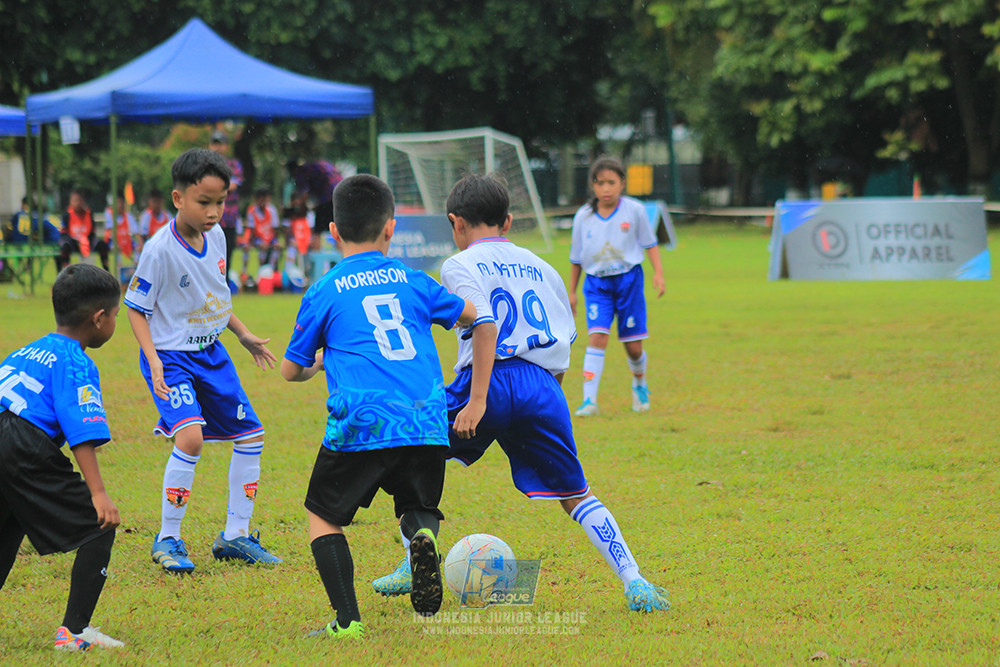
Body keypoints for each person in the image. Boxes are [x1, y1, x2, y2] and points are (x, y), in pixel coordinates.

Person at [371, 173, 670, 613]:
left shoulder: (458, 265)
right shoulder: (543, 266)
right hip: (543, 386)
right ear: (508, 220)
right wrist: (550, 398)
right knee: (578, 494)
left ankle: (413, 555)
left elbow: (484, 323)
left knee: (407, 452)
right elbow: (565, 341)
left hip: (484, 380)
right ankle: (635, 580)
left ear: (456, 224)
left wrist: (478, 400)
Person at [281, 174, 475, 639]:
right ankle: (422, 537)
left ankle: (346, 622)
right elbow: (470, 314)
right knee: (416, 502)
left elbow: (291, 370)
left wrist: (321, 362)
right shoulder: (413, 280)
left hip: (364, 420)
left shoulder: (325, 289)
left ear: (333, 231)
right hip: (427, 417)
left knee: (322, 514)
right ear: (391, 229)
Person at [125, 148, 281, 574]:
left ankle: (235, 536)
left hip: (212, 353)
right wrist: (154, 361)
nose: (214, 212)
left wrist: (243, 333)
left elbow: (211, 297)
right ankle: (168, 538)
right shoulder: (159, 250)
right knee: (190, 439)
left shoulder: (217, 237)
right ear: (178, 199)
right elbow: (136, 308)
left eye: (221, 201)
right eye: (204, 202)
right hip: (172, 359)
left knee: (252, 436)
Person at [0, 264, 125, 651]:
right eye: (116, 315)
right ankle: (73, 632)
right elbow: (82, 435)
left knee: (7, 528)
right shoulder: (75, 361)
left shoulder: (27, 349)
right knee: (98, 527)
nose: (114, 322)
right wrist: (98, 494)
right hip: (24, 445)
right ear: (99, 318)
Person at [568, 157, 664, 416]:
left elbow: (650, 243)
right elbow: (576, 258)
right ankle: (589, 401)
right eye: (600, 183)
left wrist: (659, 274)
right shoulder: (583, 217)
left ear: (622, 183)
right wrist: (572, 292)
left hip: (629, 282)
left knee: (633, 347)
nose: (606, 189)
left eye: (612, 182)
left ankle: (640, 384)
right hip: (597, 284)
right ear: (593, 185)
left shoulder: (634, 211)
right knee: (597, 337)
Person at [287, 159, 342, 250]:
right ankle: (340, 256)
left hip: (327, 198)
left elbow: (304, 195)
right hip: (340, 194)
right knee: (338, 228)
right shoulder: (317, 165)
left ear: (293, 170)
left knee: (318, 231)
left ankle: (317, 259)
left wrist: (301, 211)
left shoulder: (301, 173)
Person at [209, 130, 243, 274]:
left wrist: (213, 184)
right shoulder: (206, 164)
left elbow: (233, 186)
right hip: (209, 217)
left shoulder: (234, 165)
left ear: (226, 146)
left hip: (229, 218)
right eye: (214, 144)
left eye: (220, 144)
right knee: (209, 255)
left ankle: (226, 290)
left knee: (227, 257)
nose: (217, 147)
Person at [58, 190, 110, 272]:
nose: (78, 203)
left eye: (79, 200)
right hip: (72, 242)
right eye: (75, 200)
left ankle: (107, 270)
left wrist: (84, 241)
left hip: (87, 241)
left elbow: (92, 231)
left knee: (102, 245)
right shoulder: (67, 215)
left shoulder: (89, 214)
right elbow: (63, 233)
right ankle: (65, 271)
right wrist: (77, 240)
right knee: (64, 246)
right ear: (71, 202)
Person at [244, 187, 281, 271]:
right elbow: (251, 230)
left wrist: (275, 242)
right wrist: (254, 242)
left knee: (277, 249)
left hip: (270, 238)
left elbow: (275, 229)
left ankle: (272, 270)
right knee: (260, 251)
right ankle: (259, 271)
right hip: (258, 239)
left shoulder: (272, 210)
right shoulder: (252, 211)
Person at [104, 194, 138, 262]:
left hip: (126, 240)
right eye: (118, 203)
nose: (120, 205)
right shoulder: (109, 214)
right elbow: (111, 231)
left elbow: (136, 232)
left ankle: (134, 266)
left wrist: (141, 245)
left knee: (137, 248)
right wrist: (117, 243)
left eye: (121, 203)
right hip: (113, 241)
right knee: (115, 248)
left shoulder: (128, 216)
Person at [137, 190, 170, 258]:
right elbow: (143, 235)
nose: (156, 204)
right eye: (154, 201)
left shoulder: (167, 215)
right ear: (150, 202)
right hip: (151, 250)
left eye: (158, 201)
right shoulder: (146, 216)